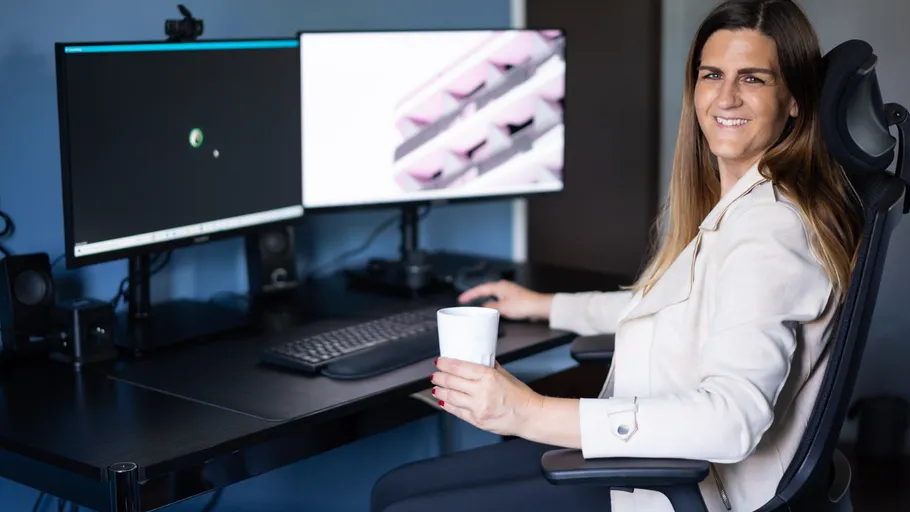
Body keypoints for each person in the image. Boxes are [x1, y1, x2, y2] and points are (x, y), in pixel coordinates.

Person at [371, 0, 864, 510]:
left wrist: (528, 412)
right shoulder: (745, 206)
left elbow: (731, 419)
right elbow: (675, 309)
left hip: (687, 486)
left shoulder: (769, 231)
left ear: (794, 101)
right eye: (712, 74)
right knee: (394, 491)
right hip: (660, 467)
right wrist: (542, 304)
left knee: (401, 503)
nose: (726, 97)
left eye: (754, 79)